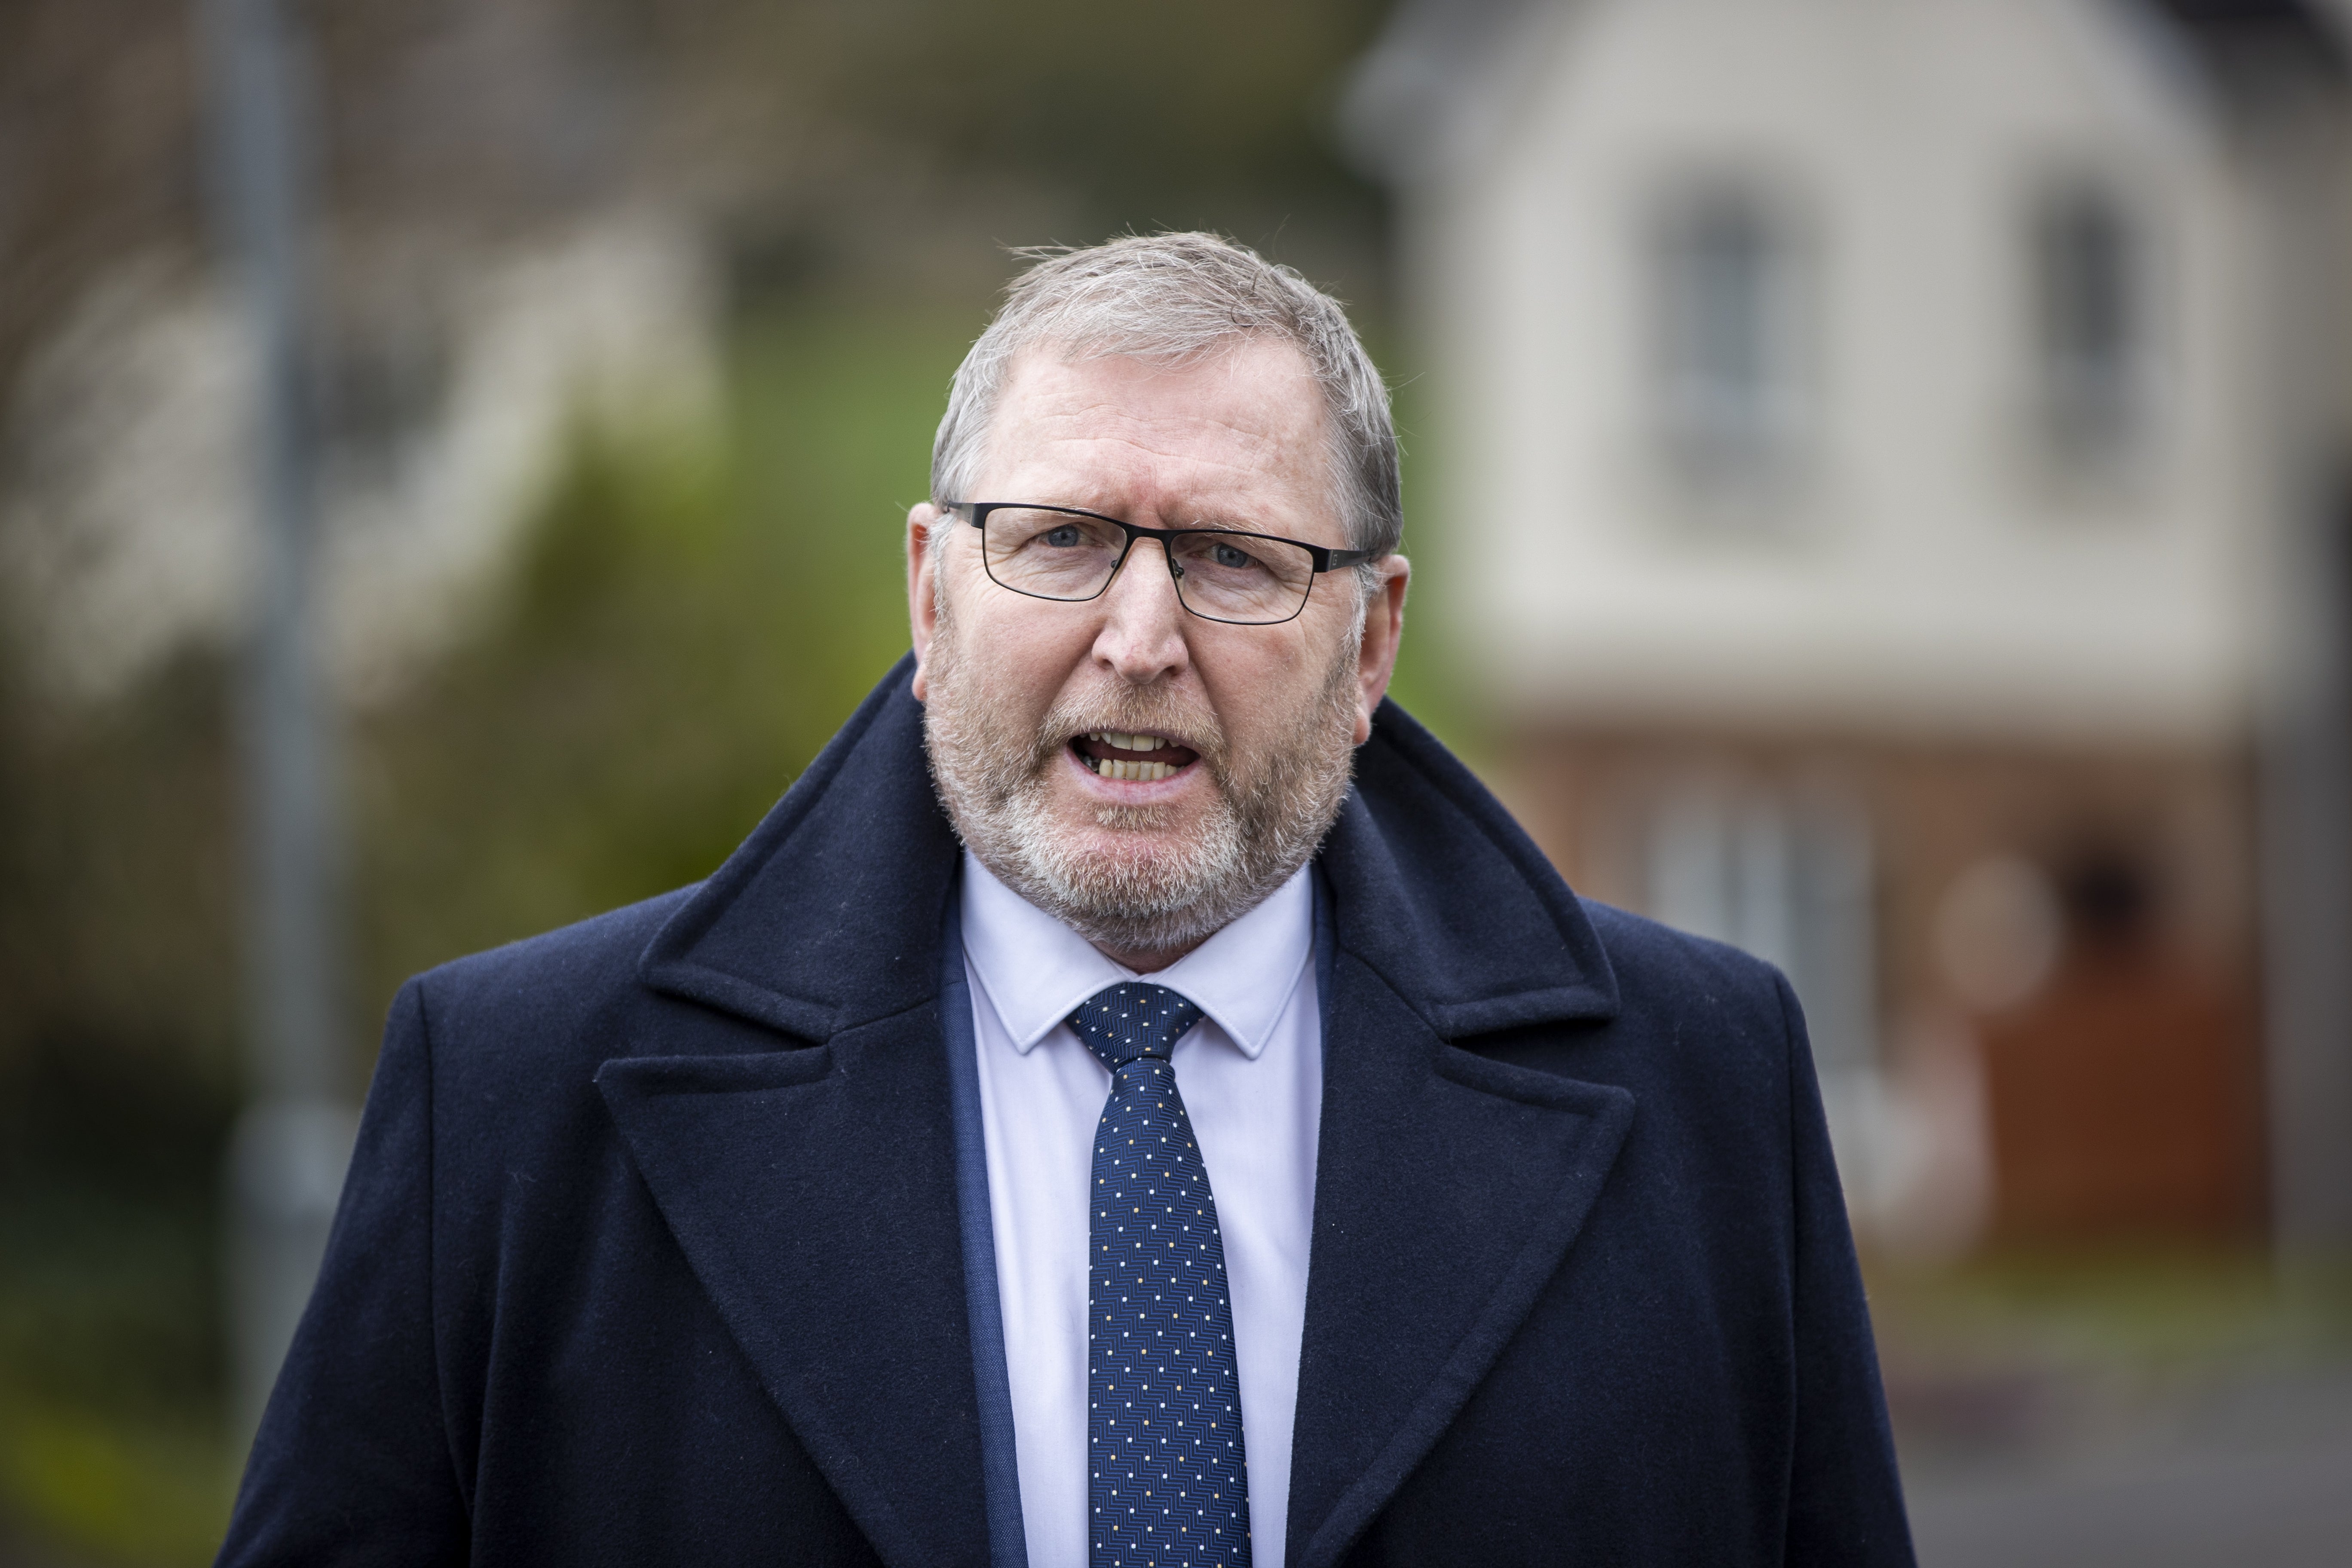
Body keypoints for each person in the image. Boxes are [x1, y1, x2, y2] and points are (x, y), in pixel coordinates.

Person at [217, 233, 1914, 1567]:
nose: (1141, 636)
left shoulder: (1705, 1079)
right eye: (1062, 541)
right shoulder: (513, 1095)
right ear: (930, 591)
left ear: (1376, 638)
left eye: (1236, 558)